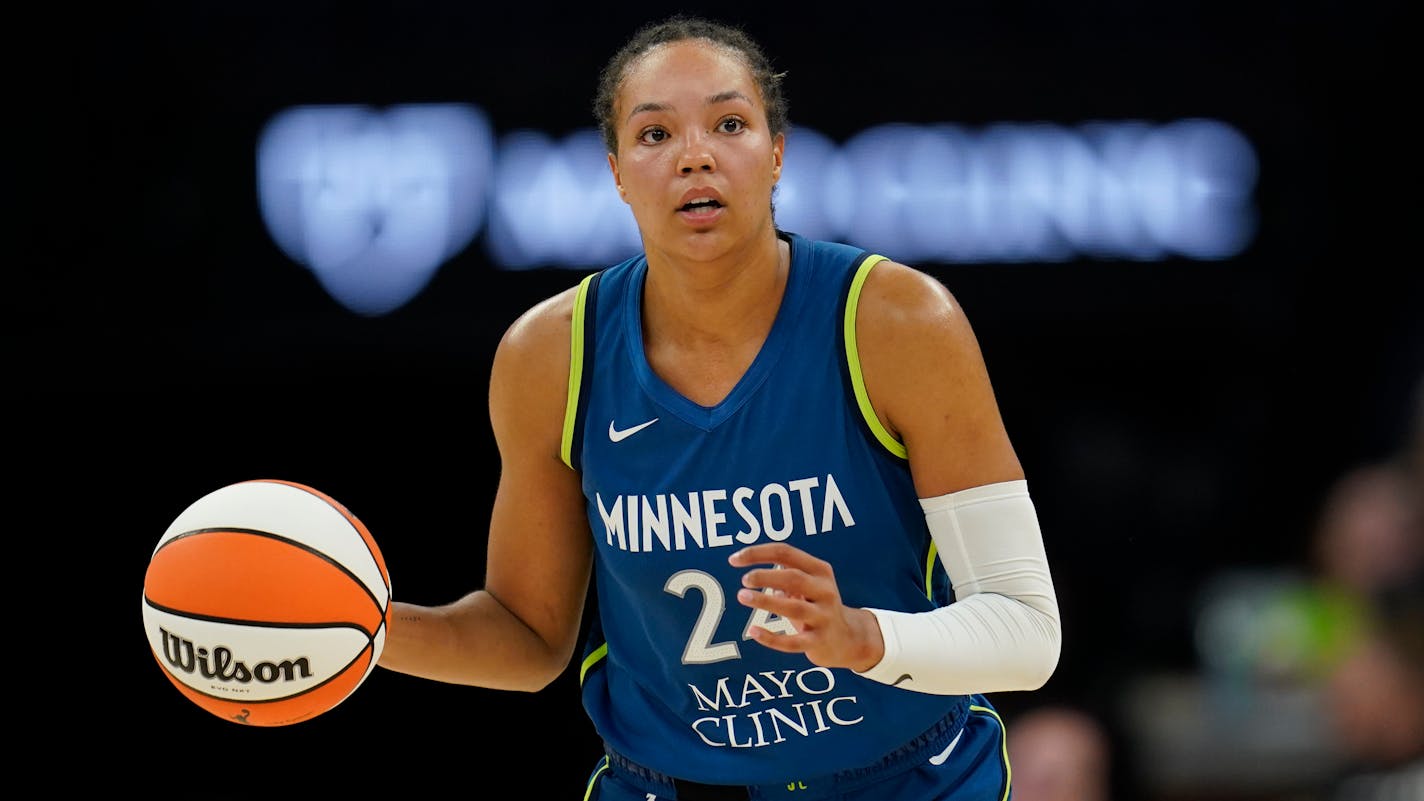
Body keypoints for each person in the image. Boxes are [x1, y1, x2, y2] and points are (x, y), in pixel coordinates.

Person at [377, 14, 1062, 800]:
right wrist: (359, 629)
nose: (695, 154)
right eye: (655, 134)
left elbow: (1026, 631)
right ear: (616, 173)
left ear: (776, 155)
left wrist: (861, 636)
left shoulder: (897, 321)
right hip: (670, 785)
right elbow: (528, 638)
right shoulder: (549, 355)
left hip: (908, 777)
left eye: (729, 124)